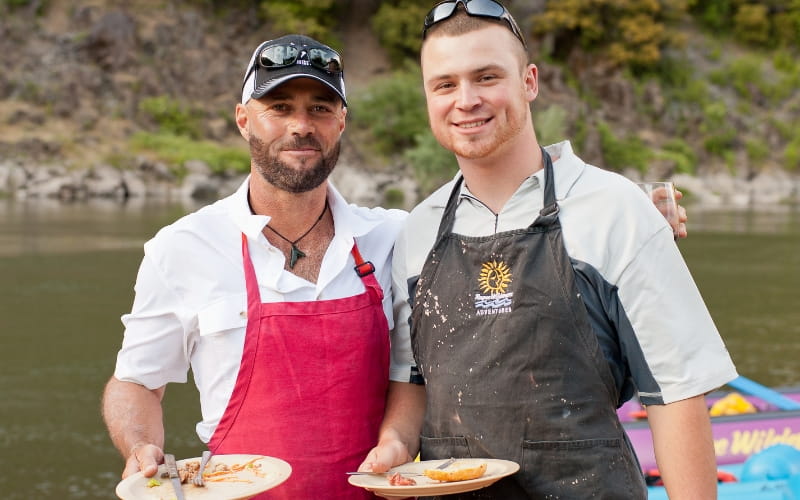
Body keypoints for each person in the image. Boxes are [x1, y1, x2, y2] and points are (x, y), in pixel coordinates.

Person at [358, 1, 738, 499]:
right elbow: (414, 381)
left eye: (487, 76)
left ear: (530, 81)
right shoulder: (418, 231)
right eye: (445, 84)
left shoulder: (617, 210)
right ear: (428, 97)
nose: (466, 99)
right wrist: (394, 442)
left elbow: (676, 395)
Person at [101, 34, 410, 499]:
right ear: (244, 120)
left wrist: (401, 440)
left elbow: (416, 373)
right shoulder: (183, 247)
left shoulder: (394, 237)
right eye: (280, 107)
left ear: (342, 121)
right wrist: (141, 447)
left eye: (321, 108)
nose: (301, 126)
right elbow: (136, 383)